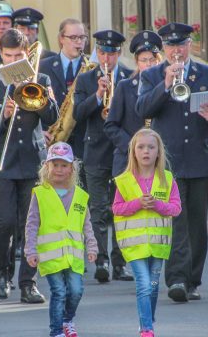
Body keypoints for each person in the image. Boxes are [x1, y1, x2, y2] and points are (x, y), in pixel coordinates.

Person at [135, 22, 208, 303]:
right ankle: (177, 280)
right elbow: (142, 109)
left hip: (200, 158)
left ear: (189, 45)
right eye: (171, 46)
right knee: (174, 221)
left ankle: (193, 279)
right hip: (168, 161)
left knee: (197, 224)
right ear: (164, 49)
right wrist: (166, 85)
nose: (177, 50)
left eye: (181, 45)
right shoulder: (151, 76)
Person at [0, 28, 57, 303]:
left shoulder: (41, 79)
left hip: (32, 160)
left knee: (31, 224)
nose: (14, 61)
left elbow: (52, 119)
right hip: (1, 160)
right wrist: (3, 113)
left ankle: (28, 283)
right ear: (1, 54)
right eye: (9, 56)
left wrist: (43, 99)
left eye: (19, 56)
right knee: (5, 220)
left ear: (28, 54)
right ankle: (0, 272)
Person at [73, 29, 134, 283]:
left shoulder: (130, 78)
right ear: (97, 53)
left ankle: (120, 264)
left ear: (118, 53)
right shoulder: (86, 79)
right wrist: (98, 95)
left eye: (111, 52)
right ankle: (101, 260)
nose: (106, 58)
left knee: (121, 209)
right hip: (96, 150)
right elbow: (78, 113)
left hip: (122, 151)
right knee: (98, 209)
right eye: (102, 52)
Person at [112, 128, 181, 337]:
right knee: (143, 285)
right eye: (141, 147)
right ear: (133, 152)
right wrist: (138, 204)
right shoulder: (124, 180)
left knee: (152, 287)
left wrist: (158, 205)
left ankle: (148, 319)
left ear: (158, 152)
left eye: (151, 147)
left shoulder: (167, 178)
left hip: (158, 245)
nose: (146, 151)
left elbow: (176, 208)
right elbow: (117, 208)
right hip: (134, 245)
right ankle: (147, 330)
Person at [25, 142, 97, 337]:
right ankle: (56, 331)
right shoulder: (40, 194)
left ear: (72, 169)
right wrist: (30, 250)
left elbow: (86, 224)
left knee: (76, 291)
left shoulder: (81, 196)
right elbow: (32, 224)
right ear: (47, 167)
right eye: (54, 164)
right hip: (51, 257)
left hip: (74, 256)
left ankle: (67, 320)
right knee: (59, 292)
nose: (58, 169)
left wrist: (92, 246)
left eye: (63, 165)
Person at [105, 30, 162, 177]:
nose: (149, 65)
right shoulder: (125, 87)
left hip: (158, 161)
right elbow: (110, 125)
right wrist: (133, 146)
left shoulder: (166, 87)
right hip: (127, 160)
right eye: (144, 60)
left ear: (158, 60)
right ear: (137, 62)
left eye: (152, 60)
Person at [38, 18, 89, 158]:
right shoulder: (43, 66)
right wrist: (39, 131)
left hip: (83, 144)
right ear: (61, 39)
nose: (79, 42)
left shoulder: (91, 67)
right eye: (73, 37)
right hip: (51, 141)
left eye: (82, 37)